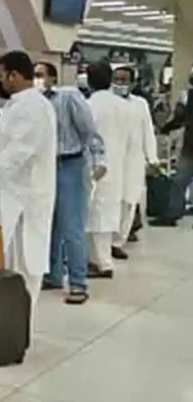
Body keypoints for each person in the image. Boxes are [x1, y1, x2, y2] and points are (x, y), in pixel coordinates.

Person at [0, 51, 57, 318]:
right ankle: (2, 316)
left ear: (14, 76)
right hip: (9, 195)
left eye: (2, 75)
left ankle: (20, 322)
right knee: (6, 259)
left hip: (28, 197)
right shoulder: (16, 105)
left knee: (27, 261)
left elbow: (19, 151)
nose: (0, 81)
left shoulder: (35, 107)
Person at [34, 61, 105, 305]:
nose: (37, 79)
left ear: (52, 78)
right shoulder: (33, 103)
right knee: (49, 223)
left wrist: (98, 159)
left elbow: (90, 131)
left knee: (71, 225)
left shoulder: (69, 97)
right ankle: (53, 275)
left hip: (70, 165)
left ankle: (78, 282)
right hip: (45, 167)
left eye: (40, 75)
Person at [85, 62, 131, 279]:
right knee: (107, 213)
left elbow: (88, 136)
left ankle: (101, 263)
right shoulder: (123, 105)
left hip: (97, 166)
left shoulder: (91, 105)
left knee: (95, 214)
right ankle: (100, 260)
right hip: (118, 165)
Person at [111, 66, 159, 258]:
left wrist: (152, 158)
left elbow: (148, 131)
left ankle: (118, 241)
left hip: (133, 160)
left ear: (132, 83)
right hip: (112, 160)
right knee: (110, 202)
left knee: (129, 202)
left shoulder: (140, 104)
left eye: (124, 80)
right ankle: (103, 243)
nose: (120, 84)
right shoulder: (106, 102)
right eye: (117, 79)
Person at [150, 79, 193, 227]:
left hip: (189, 146)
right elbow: (181, 117)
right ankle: (172, 213)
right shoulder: (189, 96)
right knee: (179, 181)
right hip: (190, 146)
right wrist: (166, 128)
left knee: (179, 181)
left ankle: (173, 213)